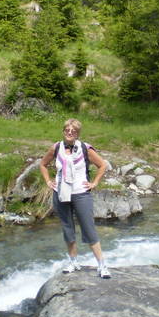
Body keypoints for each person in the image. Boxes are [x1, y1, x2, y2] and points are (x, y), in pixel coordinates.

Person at [39, 118, 111, 278]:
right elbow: (42, 164)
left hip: (81, 192)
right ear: (63, 131)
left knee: (88, 228)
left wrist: (94, 183)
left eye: (74, 131)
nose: (70, 133)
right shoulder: (56, 147)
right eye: (67, 130)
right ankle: (73, 262)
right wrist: (48, 181)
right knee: (68, 228)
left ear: (78, 133)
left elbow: (102, 165)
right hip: (61, 192)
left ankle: (102, 265)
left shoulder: (85, 148)